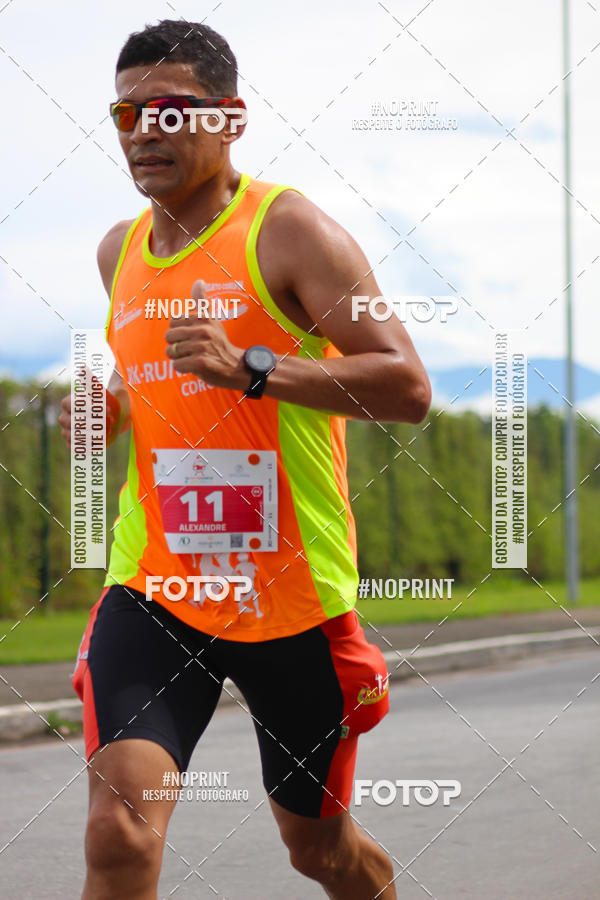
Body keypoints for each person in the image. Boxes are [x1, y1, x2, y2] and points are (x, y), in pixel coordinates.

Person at [59, 18, 431, 900]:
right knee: (119, 829)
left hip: (290, 600)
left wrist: (254, 368)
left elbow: (407, 388)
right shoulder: (119, 252)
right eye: (127, 113)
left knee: (320, 851)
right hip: (158, 589)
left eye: (173, 110)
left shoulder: (291, 231)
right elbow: (149, 383)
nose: (146, 130)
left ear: (230, 119)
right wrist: (95, 414)